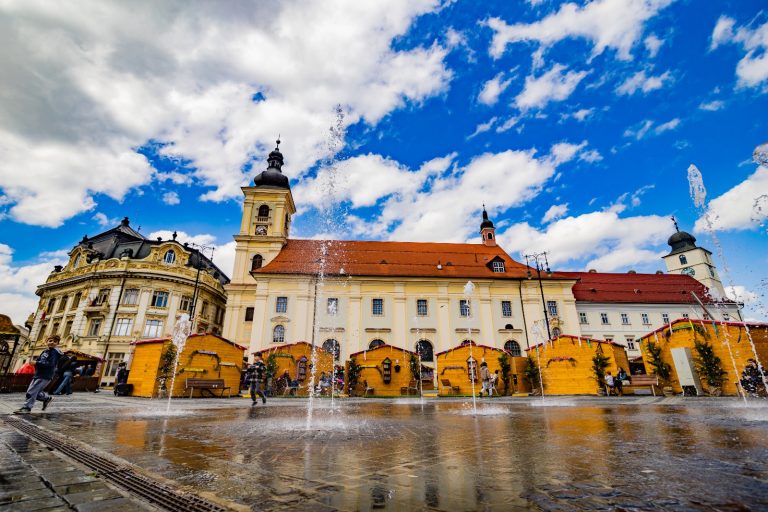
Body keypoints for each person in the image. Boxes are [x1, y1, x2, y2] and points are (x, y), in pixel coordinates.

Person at [14, 335, 63, 414]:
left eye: (55, 341)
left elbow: (50, 364)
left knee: (31, 391)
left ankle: (27, 408)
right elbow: (39, 360)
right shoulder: (45, 351)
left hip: (45, 375)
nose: (52, 342)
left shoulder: (55, 352)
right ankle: (46, 398)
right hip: (38, 374)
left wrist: (37, 363)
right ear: (47, 342)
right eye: (50, 341)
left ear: (57, 343)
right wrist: (34, 363)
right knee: (34, 392)